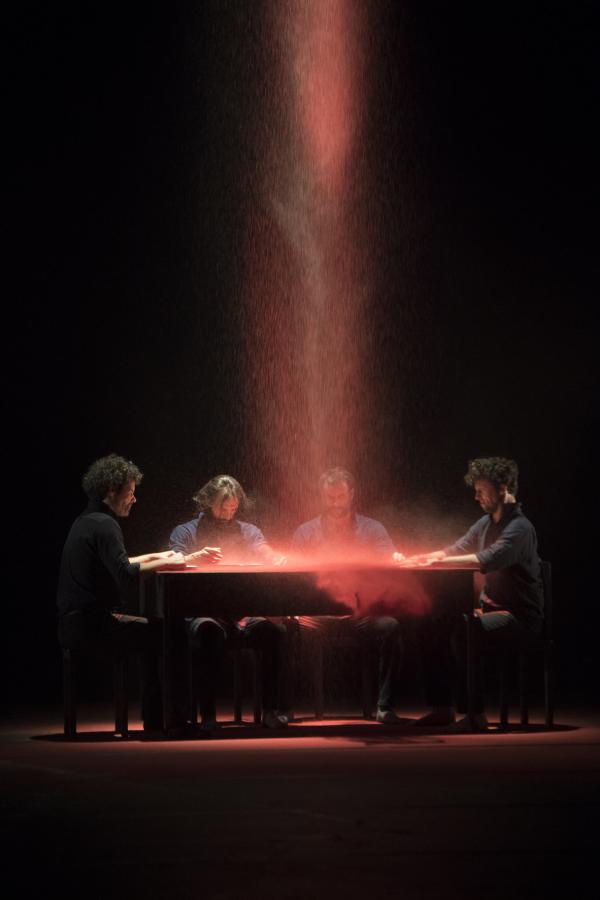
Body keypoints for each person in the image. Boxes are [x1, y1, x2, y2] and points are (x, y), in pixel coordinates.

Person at [56, 454, 219, 732]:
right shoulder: (106, 525)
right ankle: (174, 719)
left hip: (72, 624)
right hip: (92, 625)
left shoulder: (87, 521)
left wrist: (167, 555)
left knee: (157, 631)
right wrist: (175, 562)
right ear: (111, 490)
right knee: (171, 632)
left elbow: (122, 562)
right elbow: (126, 574)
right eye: (130, 492)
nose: (134, 499)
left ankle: (156, 718)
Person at [407, 457, 544, 732]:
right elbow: (456, 549)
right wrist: (420, 558)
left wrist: (437, 562)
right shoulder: (484, 523)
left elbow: (486, 559)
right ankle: (442, 708)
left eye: (481, 490)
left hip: (519, 617)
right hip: (492, 611)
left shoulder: (520, 527)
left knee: (465, 631)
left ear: (502, 489)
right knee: (430, 624)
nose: (476, 496)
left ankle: (475, 714)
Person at [169, 474, 288, 730]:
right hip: (205, 613)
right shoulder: (186, 531)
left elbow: (262, 548)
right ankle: (208, 716)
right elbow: (173, 561)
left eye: (233, 508)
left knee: (273, 631)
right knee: (207, 630)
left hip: (242, 614)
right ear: (208, 502)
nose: (228, 514)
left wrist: (276, 558)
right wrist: (195, 558)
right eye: (223, 508)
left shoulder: (248, 531)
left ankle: (270, 711)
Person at [291, 467, 404, 723]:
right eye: (329, 497)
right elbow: (292, 577)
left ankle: (385, 706)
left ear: (351, 494)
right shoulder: (305, 532)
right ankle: (283, 708)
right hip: (317, 616)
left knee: (391, 627)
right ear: (321, 496)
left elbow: (389, 558)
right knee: (284, 628)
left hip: (360, 613)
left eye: (340, 496)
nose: (335, 503)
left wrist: (394, 557)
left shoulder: (373, 529)